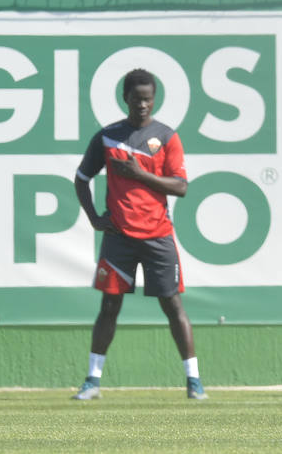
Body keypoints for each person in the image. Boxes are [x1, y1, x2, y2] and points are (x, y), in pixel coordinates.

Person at [71, 68, 207, 401]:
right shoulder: (108, 137)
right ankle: (92, 380)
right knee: (109, 306)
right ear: (125, 99)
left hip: (158, 236)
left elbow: (181, 187)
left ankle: (194, 381)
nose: (143, 105)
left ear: (154, 99)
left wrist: (139, 173)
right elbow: (81, 178)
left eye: (148, 99)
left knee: (173, 305)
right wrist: (93, 218)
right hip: (118, 238)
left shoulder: (167, 137)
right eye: (137, 99)